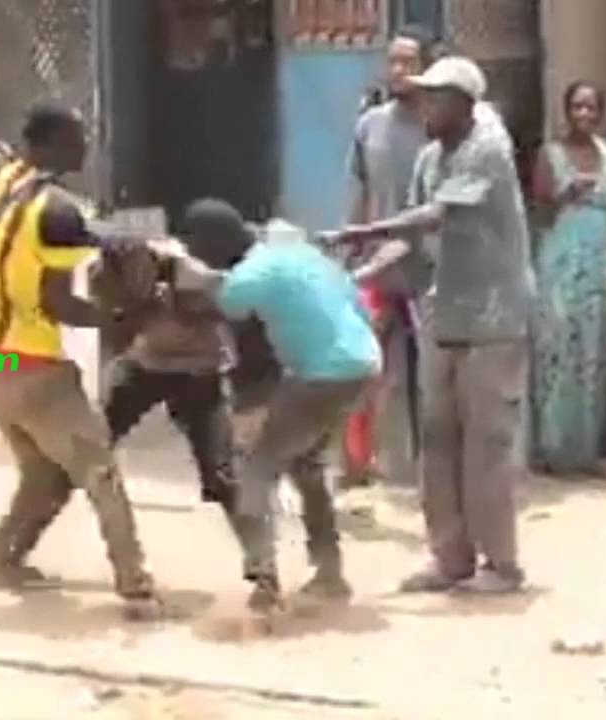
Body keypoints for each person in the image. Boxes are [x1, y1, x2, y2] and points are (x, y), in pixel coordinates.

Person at [329, 57, 533, 595]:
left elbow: (436, 216)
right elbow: (412, 236)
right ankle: (450, 558)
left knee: (486, 444)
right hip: (442, 312)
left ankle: (501, 564)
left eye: (435, 98)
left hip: (493, 315)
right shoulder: (428, 156)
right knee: (438, 441)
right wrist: (362, 268)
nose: (424, 106)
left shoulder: (487, 146)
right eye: (422, 97)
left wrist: (360, 230)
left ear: (464, 103)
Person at [0, 100, 158, 607]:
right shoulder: (56, 210)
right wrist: (119, 320)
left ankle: (1, 558)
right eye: (75, 138)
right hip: (29, 363)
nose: (84, 147)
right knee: (99, 472)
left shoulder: (7, 180)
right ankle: (135, 585)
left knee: (44, 472)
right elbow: (58, 303)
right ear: (48, 143)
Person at [164, 218, 381, 613]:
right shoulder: (318, 262)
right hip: (362, 365)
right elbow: (362, 313)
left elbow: (227, 301)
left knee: (255, 470)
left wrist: (191, 273)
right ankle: (329, 573)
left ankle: (264, 579)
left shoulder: (259, 267)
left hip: (318, 375)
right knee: (307, 467)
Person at [94, 197, 243, 545]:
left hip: (198, 375)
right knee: (86, 450)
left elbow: (229, 311)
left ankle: (265, 574)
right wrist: (133, 305)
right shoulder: (117, 271)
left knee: (223, 478)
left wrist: (190, 304)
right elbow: (115, 338)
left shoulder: (204, 278)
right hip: (144, 366)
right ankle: (9, 551)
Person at [339, 24, 438, 490]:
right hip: (378, 269)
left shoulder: (443, 130)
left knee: (431, 376)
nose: (398, 70)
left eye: (409, 62)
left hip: (430, 270)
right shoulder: (370, 126)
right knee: (361, 367)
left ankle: (428, 470)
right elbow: (360, 194)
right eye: (393, 61)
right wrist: (351, 250)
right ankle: (357, 467)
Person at [530, 81, 606, 477]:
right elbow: (539, 210)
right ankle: (552, 449)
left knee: (592, 351)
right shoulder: (549, 155)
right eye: (577, 107)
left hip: (599, 257)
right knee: (557, 350)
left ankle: (586, 451)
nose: (584, 114)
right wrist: (566, 194)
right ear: (566, 111)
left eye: (591, 107)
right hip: (561, 257)